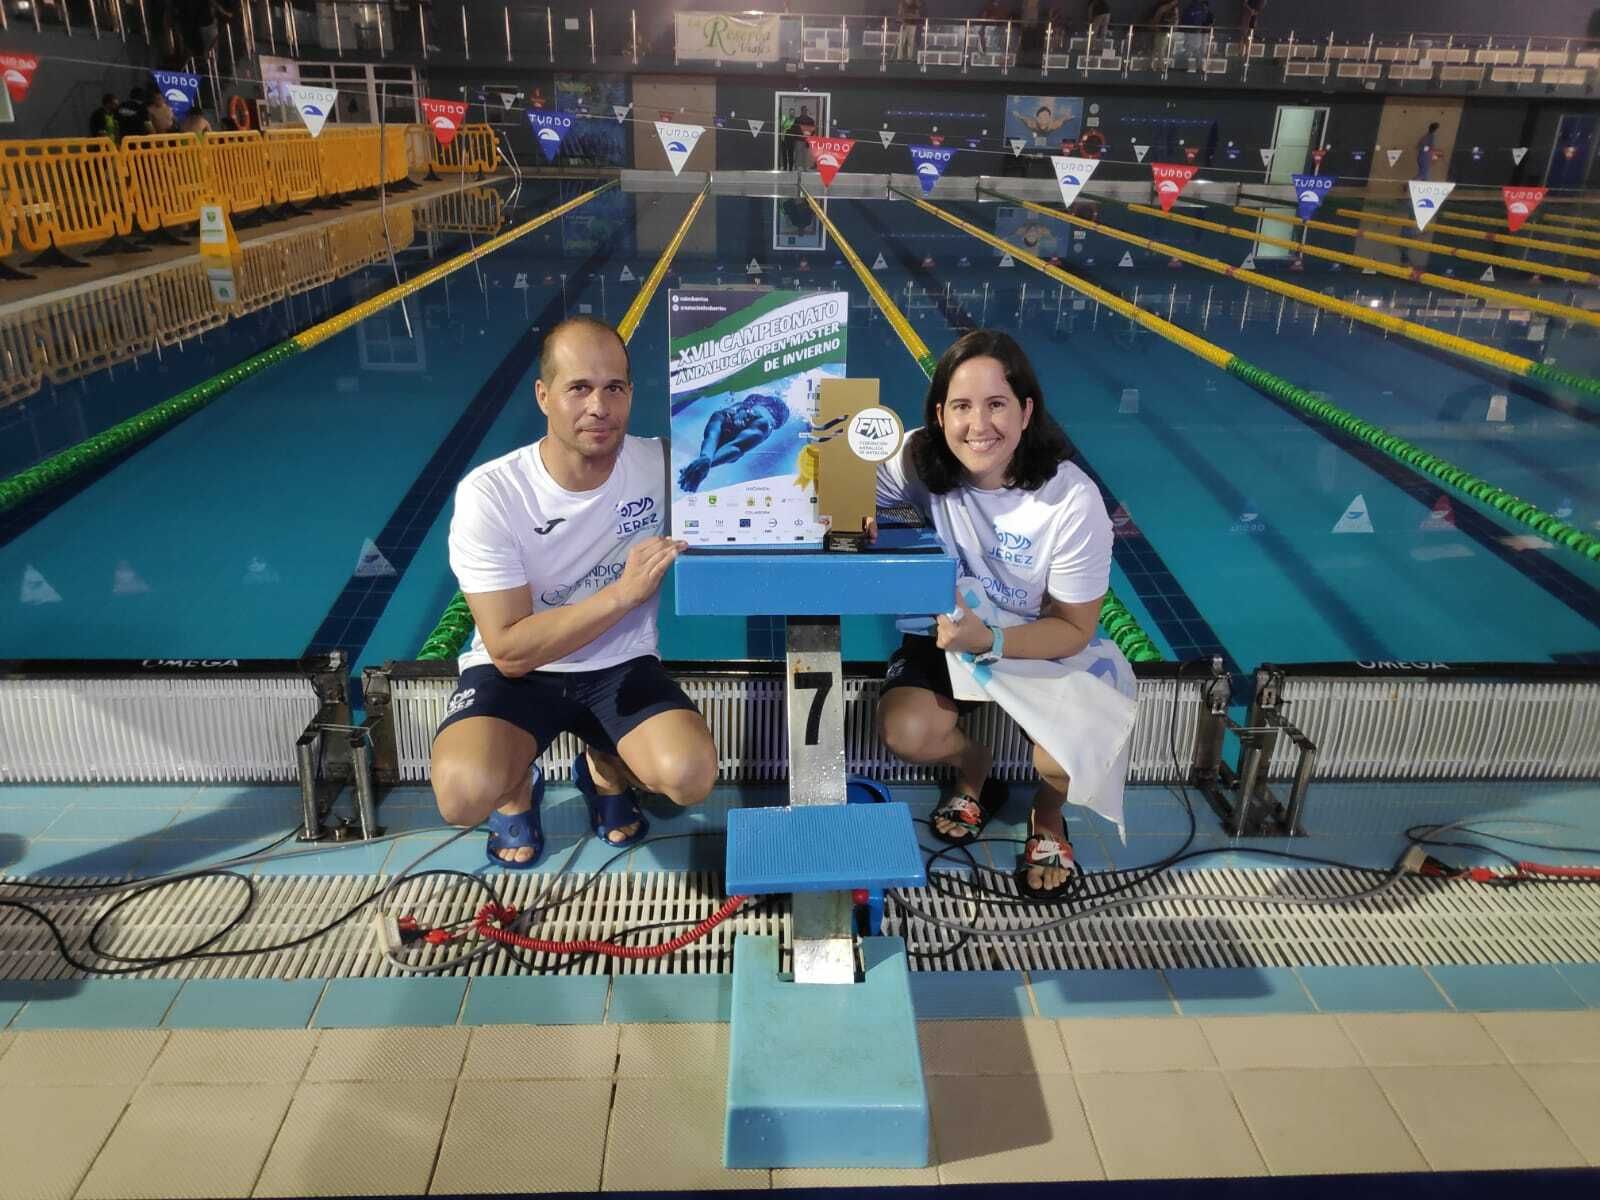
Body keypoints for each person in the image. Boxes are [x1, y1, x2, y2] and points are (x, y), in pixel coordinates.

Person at [431, 317, 719, 866]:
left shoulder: (662, 464)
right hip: (519, 674)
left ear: (631, 393)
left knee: (689, 775)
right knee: (463, 793)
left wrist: (842, 509)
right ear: (544, 395)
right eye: (579, 388)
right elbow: (509, 650)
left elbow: (757, 492)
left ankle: (602, 768)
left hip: (618, 664)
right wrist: (621, 595)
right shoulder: (494, 493)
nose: (598, 407)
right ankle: (517, 785)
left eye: (614, 388)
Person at [870, 330, 1126, 900]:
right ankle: (974, 768)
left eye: (996, 404)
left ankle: (1048, 814)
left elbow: (1076, 627)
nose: (978, 425)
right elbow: (862, 494)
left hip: (1039, 638)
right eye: (962, 406)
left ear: (1026, 411)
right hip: (952, 632)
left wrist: (991, 641)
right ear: (939, 415)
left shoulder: (1071, 500)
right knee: (905, 731)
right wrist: (861, 512)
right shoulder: (917, 458)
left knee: (1068, 753)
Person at [677, 392, 790, 493]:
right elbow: (734, 448)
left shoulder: (725, 416)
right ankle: (706, 460)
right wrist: (706, 462)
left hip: (754, 409)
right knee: (734, 450)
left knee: (721, 426)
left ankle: (705, 459)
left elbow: (716, 439)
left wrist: (705, 460)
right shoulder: (763, 423)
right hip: (763, 412)